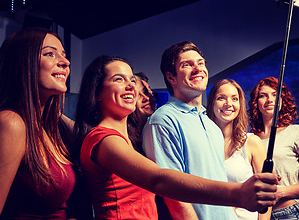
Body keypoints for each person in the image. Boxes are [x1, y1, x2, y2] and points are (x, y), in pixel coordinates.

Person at [73, 55, 278, 220]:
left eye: (132, 80)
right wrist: (238, 193)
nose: (130, 86)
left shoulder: (127, 140)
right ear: (98, 92)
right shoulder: (104, 140)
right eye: (119, 79)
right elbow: (159, 179)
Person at [141, 41, 275, 220]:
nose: (198, 69)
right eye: (187, 65)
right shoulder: (164, 120)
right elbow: (173, 196)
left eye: (201, 63)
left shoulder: (210, 125)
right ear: (171, 77)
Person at [0, 28, 75, 219]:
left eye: (64, 56)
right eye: (50, 53)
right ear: (23, 63)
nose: (65, 62)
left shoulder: (46, 127)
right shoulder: (12, 123)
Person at [248, 76, 299, 220]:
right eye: (263, 95)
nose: (269, 99)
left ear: (282, 100)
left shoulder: (296, 132)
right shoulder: (250, 138)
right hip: (257, 214)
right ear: (255, 102)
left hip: (287, 213)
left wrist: (280, 192)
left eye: (275, 95)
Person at [207, 79, 270, 220]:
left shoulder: (252, 142)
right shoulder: (203, 144)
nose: (228, 103)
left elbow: (266, 195)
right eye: (221, 98)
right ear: (211, 103)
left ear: (239, 105)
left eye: (234, 99)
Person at [127, 72, 156, 153]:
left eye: (146, 92)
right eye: (137, 96)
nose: (146, 98)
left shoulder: (151, 126)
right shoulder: (127, 137)